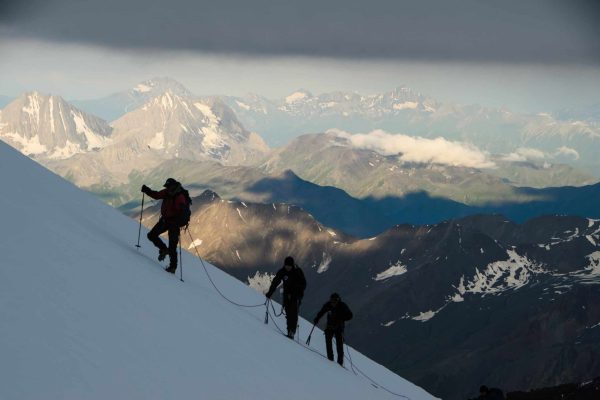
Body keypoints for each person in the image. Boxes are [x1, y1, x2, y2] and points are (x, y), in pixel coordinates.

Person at [141, 178, 190, 274]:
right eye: (166, 187)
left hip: (174, 224)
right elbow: (156, 195)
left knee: (172, 246)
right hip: (166, 220)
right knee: (151, 235)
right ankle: (164, 249)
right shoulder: (168, 192)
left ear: (173, 186)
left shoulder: (179, 196)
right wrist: (147, 190)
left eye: (168, 186)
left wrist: (178, 222)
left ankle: (172, 267)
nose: (166, 188)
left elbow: (183, 212)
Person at [265, 256, 307, 338]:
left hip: (296, 295)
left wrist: (295, 292)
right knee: (288, 312)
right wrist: (270, 293)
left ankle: (292, 331)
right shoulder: (282, 271)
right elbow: (276, 281)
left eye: (289, 266)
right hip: (287, 294)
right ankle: (289, 330)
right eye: (286, 266)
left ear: (292, 265)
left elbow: (303, 284)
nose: (287, 267)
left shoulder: (297, 271)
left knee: (293, 313)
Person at [313, 293, 353, 366]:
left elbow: (350, 315)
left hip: (338, 327)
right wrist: (317, 318)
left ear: (337, 300)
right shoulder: (330, 305)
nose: (333, 303)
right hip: (331, 326)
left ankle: (339, 362)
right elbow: (322, 312)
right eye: (332, 301)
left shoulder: (342, 306)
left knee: (338, 345)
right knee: (331, 343)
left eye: (334, 301)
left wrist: (342, 318)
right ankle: (331, 359)